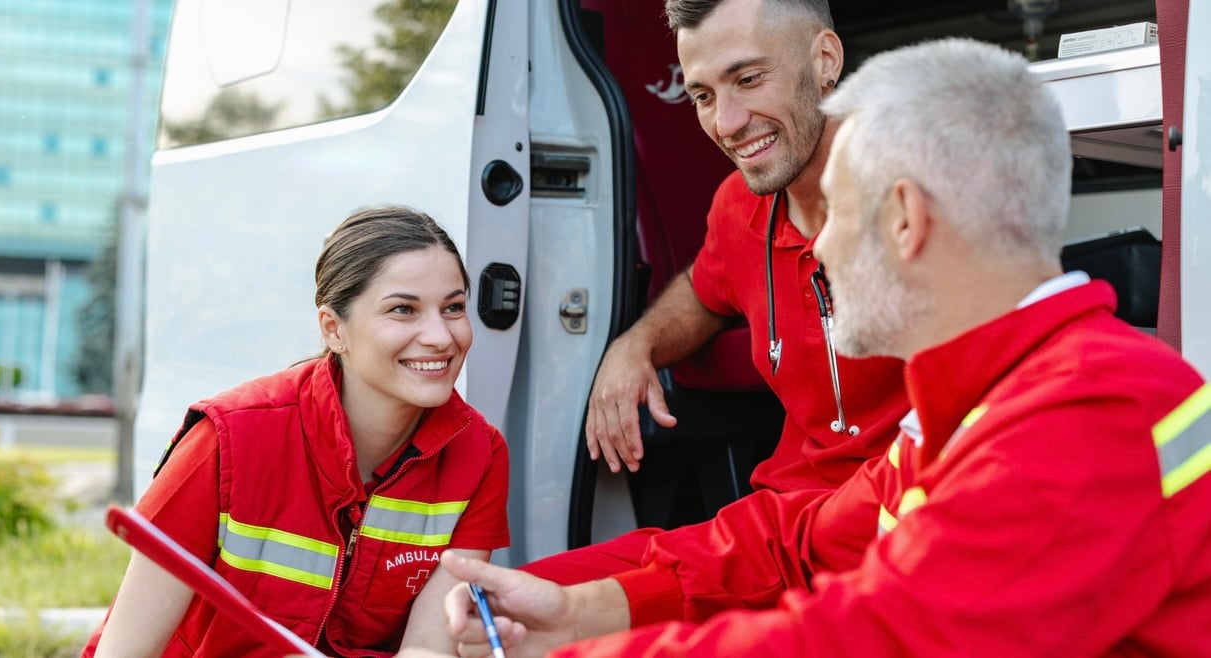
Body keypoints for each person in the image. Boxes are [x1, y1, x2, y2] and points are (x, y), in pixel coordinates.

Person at [440, 38, 1211, 657]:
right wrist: (581, 611)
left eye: (834, 210)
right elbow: (801, 543)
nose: (815, 243)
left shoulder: (1085, 409)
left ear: (903, 219)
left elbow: (882, 639)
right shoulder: (977, 408)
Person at [523, 0, 909, 585]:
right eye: (702, 95)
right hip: (776, 531)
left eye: (748, 79)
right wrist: (637, 345)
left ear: (825, 60)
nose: (726, 122)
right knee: (498, 598)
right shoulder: (738, 203)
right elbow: (704, 292)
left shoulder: (919, 193)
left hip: (892, 532)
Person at [84, 206, 510, 657]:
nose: (441, 336)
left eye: (454, 307)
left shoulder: (480, 454)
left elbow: (429, 650)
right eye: (403, 309)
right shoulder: (227, 438)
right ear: (334, 329)